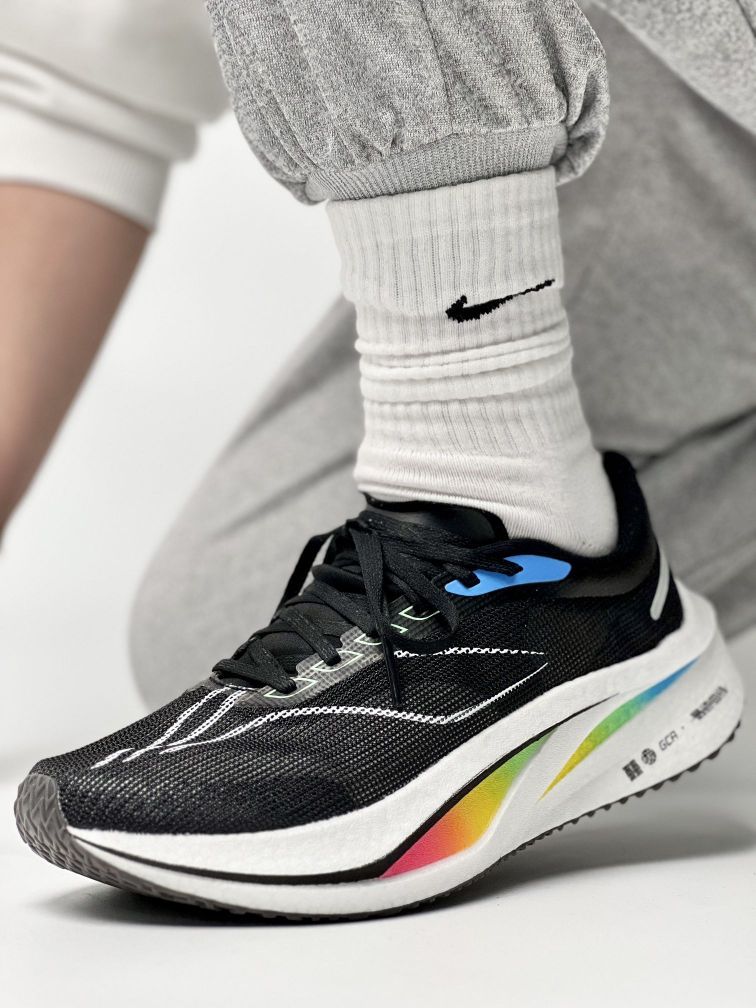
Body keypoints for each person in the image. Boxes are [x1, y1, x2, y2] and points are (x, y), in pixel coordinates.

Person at [7, 2, 754, 918]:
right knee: (206, 620)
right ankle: (579, 589)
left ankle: (494, 503)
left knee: (329, 708)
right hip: (689, 137)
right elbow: (79, 84)